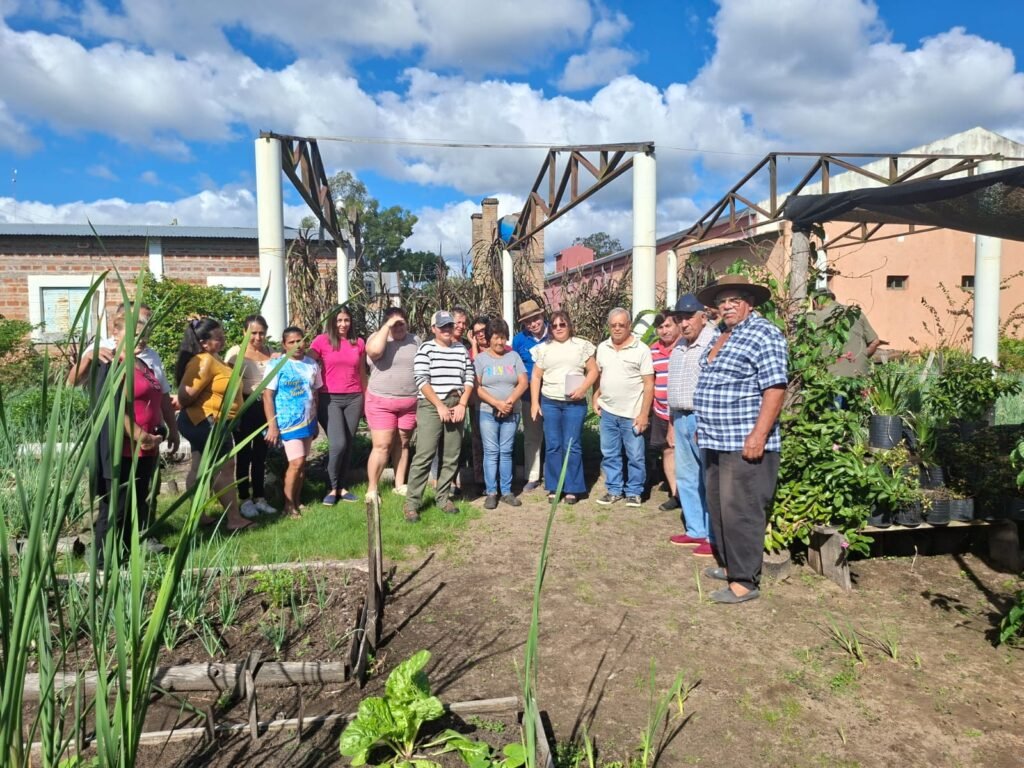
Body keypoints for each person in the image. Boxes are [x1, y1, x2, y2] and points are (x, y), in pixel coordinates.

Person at [693, 275, 788, 604]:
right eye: (722, 301)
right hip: (716, 437)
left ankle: (745, 581)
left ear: (750, 302)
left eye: (734, 299)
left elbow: (775, 387)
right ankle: (731, 565)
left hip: (743, 439)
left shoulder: (764, 333)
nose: (727, 306)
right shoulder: (721, 333)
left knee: (742, 509)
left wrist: (759, 434)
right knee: (719, 507)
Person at [90, 308, 168, 568]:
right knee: (116, 508)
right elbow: (113, 408)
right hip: (123, 449)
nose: (141, 339)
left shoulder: (143, 364)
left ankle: (124, 556)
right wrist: (140, 436)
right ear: (116, 333)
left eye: (144, 334)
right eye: (134, 334)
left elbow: (155, 398)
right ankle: (103, 565)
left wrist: (160, 430)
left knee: (136, 504)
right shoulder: (111, 366)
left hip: (146, 449)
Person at [68, 302, 180, 456]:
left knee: (149, 480)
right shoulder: (103, 351)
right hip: (122, 444)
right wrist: (88, 357)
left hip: (150, 439)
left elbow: (163, 396)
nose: (143, 328)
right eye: (138, 319)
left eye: (147, 321)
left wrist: (173, 430)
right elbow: (74, 381)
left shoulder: (150, 355)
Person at [174, 317, 252, 532]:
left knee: (199, 467)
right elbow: (185, 395)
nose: (223, 339)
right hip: (209, 422)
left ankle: (198, 516)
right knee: (224, 469)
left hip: (215, 421)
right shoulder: (203, 361)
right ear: (203, 342)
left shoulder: (214, 358)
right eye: (218, 337)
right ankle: (234, 518)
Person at [403, 311, 474, 522]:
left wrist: (462, 403)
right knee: (424, 455)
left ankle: (443, 497)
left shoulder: (461, 349)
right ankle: (412, 502)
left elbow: (469, 377)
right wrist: (439, 406)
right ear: (433, 328)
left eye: (449, 326)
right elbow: (421, 379)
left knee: (452, 455)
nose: (446, 330)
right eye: (442, 326)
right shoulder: (426, 349)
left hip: (456, 403)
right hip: (431, 405)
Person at [666, 293, 717, 558]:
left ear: (702, 317)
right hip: (681, 417)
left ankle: (712, 534)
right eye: (680, 319)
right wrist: (671, 423)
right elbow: (672, 387)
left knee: (709, 478)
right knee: (686, 476)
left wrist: (705, 422)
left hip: (702, 419)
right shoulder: (679, 347)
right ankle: (695, 529)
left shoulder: (713, 343)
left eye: (689, 317)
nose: (684, 323)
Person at [530, 310, 597, 504]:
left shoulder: (582, 346)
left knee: (572, 445)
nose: (558, 328)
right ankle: (554, 486)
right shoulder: (543, 349)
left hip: (574, 404)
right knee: (553, 445)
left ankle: (573, 488)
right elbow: (536, 376)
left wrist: (584, 388)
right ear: (550, 328)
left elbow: (593, 371)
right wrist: (535, 403)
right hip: (550, 402)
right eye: (554, 325)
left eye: (562, 324)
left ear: (569, 326)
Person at [593, 308, 654, 507]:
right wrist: (595, 397)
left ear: (629, 326)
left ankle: (634, 492)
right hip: (608, 411)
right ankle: (614, 490)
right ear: (609, 326)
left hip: (632, 413)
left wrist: (644, 413)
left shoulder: (641, 349)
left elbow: (648, 383)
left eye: (622, 325)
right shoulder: (603, 347)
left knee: (635, 455)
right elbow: (599, 376)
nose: (617, 329)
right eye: (613, 325)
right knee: (610, 453)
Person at [309, 306, 365, 505]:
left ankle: (342, 487)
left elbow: (361, 372)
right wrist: (282, 357)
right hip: (329, 398)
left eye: (346, 320)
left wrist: (364, 398)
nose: (343, 324)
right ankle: (332, 488)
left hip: (354, 397)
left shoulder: (358, 342)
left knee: (348, 445)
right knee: (338, 443)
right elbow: (305, 361)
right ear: (332, 322)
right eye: (339, 320)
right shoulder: (321, 340)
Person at [264, 327, 322, 518]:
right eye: (291, 342)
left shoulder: (312, 364)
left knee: (302, 463)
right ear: (284, 344)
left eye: (300, 340)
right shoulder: (276, 365)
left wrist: (315, 420)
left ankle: (297, 500)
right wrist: (272, 425)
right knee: (295, 462)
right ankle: (288, 506)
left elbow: (315, 392)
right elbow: (267, 395)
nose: (297, 345)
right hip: (288, 422)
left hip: (308, 420)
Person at [224, 314, 277, 518]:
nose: (257, 337)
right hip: (244, 407)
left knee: (260, 454)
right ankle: (244, 498)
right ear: (244, 332)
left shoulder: (270, 352)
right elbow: (228, 383)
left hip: (265, 407)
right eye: (253, 333)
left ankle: (260, 497)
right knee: (244, 454)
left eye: (261, 333)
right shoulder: (235, 354)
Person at [364, 306, 419, 500]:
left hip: (409, 404)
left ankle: (399, 483)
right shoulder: (376, 338)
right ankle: (372, 489)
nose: (399, 328)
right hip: (381, 402)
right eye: (394, 324)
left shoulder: (415, 340)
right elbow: (374, 352)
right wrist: (387, 326)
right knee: (382, 445)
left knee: (403, 444)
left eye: (401, 323)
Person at [474, 318, 529, 510]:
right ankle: (491, 492)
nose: (500, 342)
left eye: (503, 338)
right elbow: (477, 387)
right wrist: (496, 403)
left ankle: (506, 491)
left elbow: (523, 382)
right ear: (489, 338)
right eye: (496, 338)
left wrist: (509, 402)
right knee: (491, 452)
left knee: (506, 451)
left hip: (511, 413)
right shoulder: (480, 359)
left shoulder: (513, 357)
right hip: (488, 412)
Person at [512, 299, 548, 492]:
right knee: (532, 436)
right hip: (527, 396)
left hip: (552, 394)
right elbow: (515, 365)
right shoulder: (519, 340)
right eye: (528, 321)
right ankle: (532, 476)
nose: (533, 324)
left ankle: (552, 475)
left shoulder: (555, 333)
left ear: (542, 316)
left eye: (536, 319)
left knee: (553, 436)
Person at [649, 311, 681, 510]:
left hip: (681, 412)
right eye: (660, 327)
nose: (664, 331)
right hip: (660, 411)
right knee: (667, 451)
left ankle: (689, 496)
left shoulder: (685, 347)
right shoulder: (653, 350)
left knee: (685, 454)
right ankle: (676, 493)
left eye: (668, 326)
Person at [811, 289, 882, 378]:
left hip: (828, 379)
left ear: (815, 302)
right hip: (859, 375)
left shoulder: (812, 316)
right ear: (833, 298)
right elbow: (875, 342)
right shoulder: (855, 312)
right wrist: (861, 356)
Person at [467, 315, 491, 492]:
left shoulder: (501, 347)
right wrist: (474, 346)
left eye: (483, 330)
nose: (481, 335)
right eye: (477, 333)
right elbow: (475, 370)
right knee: (478, 441)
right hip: (477, 403)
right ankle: (480, 478)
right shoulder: (469, 352)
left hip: (498, 401)